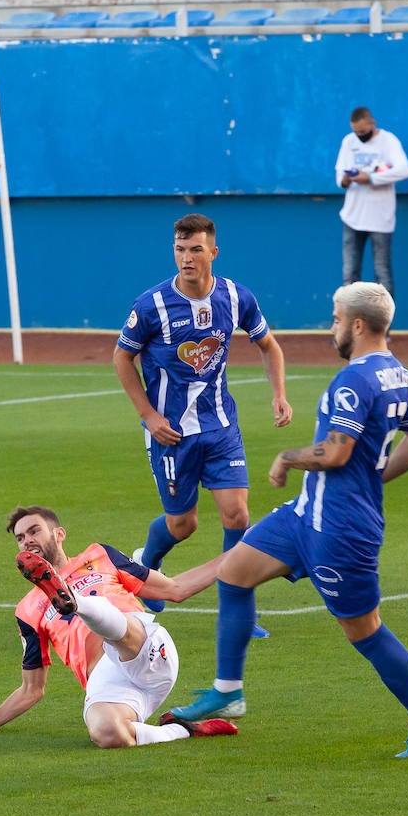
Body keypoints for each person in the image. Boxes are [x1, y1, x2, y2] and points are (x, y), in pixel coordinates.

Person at [169, 282, 408, 759]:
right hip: (305, 515)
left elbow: (337, 452)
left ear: (358, 325)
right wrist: (374, 476)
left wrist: (288, 457)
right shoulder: (398, 375)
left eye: (337, 319)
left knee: (364, 632)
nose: (332, 328)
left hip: (341, 530)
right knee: (234, 572)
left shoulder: (354, 380)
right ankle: (228, 690)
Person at [113, 213, 291, 643]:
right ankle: (146, 567)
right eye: (179, 249)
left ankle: (238, 611)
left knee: (238, 513)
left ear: (213, 251)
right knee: (183, 526)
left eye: (195, 249)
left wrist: (278, 394)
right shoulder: (151, 306)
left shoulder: (235, 297)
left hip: (220, 426)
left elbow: (268, 345)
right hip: (171, 434)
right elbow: (122, 359)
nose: (186, 258)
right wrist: (149, 417)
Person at [0, 505, 239, 748]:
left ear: (59, 534)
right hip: (111, 684)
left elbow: (175, 589)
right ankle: (182, 730)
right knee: (106, 733)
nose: (27, 541)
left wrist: (242, 551)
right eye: (20, 538)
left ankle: (75, 602)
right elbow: (31, 690)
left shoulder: (100, 556)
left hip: (144, 648)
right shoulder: (26, 610)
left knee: (114, 630)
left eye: (34, 531)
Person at [335, 106, 408, 296]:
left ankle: (382, 325)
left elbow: (404, 170)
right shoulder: (348, 142)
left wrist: (370, 178)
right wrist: (347, 178)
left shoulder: (388, 141)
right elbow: (340, 177)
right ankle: (348, 323)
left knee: (382, 274)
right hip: (353, 217)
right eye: (355, 132)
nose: (359, 136)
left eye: (362, 132)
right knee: (350, 275)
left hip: (380, 219)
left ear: (372, 123)